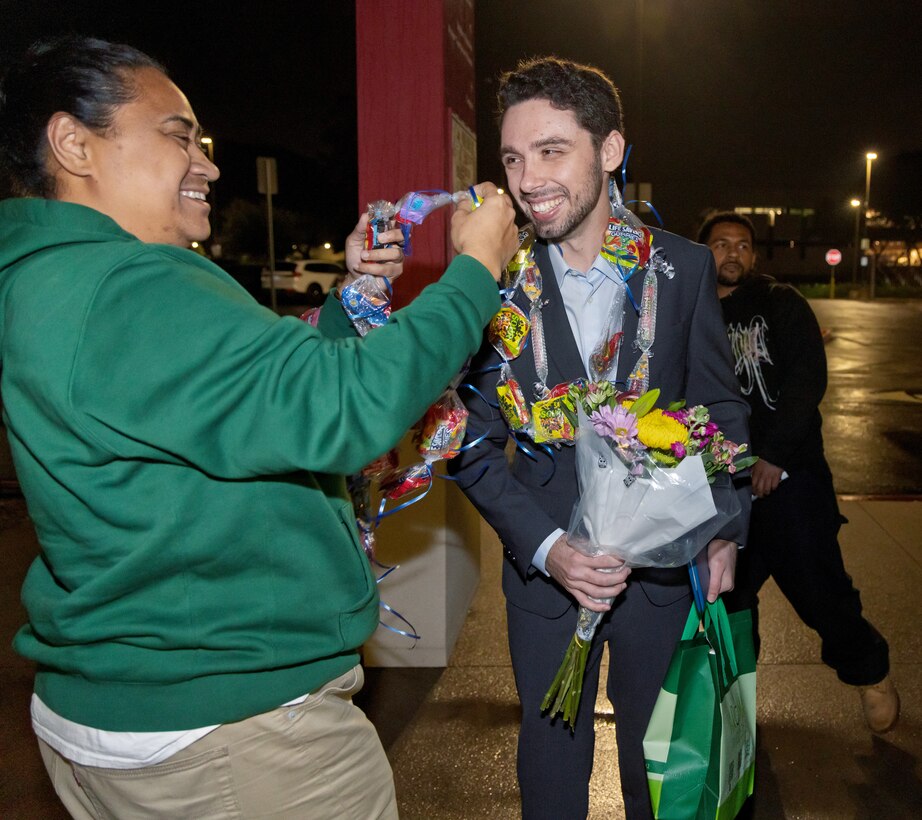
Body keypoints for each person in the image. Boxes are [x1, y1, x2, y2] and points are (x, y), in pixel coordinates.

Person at [0, 35, 518, 818]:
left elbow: (248, 400)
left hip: (133, 710)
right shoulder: (127, 285)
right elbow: (343, 410)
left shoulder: (52, 280)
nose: (207, 163)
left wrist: (351, 306)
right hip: (234, 735)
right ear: (74, 143)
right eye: (178, 136)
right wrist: (475, 271)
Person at [448, 57, 751, 819]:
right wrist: (550, 549)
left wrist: (723, 532)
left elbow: (721, 410)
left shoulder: (682, 269)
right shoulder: (495, 286)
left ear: (610, 150)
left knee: (663, 777)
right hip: (547, 587)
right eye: (514, 158)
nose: (528, 179)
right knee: (550, 774)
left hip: (663, 578)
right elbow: (471, 444)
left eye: (552, 151)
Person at [698, 210, 900, 734]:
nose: (733, 253)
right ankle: (734, 712)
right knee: (729, 605)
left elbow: (807, 382)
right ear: (703, 253)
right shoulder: (690, 313)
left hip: (790, 484)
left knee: (821, 591)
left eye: (742, 244)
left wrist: (775, 455)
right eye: (720, 244)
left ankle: (870, 673)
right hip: (721, 490)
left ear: (755, 255)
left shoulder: (781, 304)